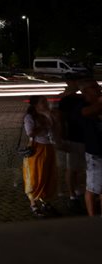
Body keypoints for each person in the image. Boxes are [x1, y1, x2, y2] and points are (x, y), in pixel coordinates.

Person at [23, 95, 58, 217]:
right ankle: (33, 204)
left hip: (49, 147)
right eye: (43, 102)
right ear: (35, 105)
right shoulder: (30, 117)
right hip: (37, 148)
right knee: (36, 177)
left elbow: (56, 129)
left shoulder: (49, 114)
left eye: (46, 101)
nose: (46, 104)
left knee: (48, 176)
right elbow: (30, 132)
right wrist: (43, 125)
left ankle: (45, 201)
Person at [57, 77, 87, 211]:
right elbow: (60, 120)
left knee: (79, 167)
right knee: (72, 168)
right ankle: (72, 194)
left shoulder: (81, 98)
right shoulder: (65, 100)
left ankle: (77, 190)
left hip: (83, 137)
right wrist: (61, 138)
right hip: (73, 137)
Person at [78, 79, 102, 217]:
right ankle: (92, 219)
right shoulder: (83, 106)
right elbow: (86, 113)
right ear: (86, 91)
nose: (99, 89)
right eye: (95, 87)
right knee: (92, 188)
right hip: (95, 153)